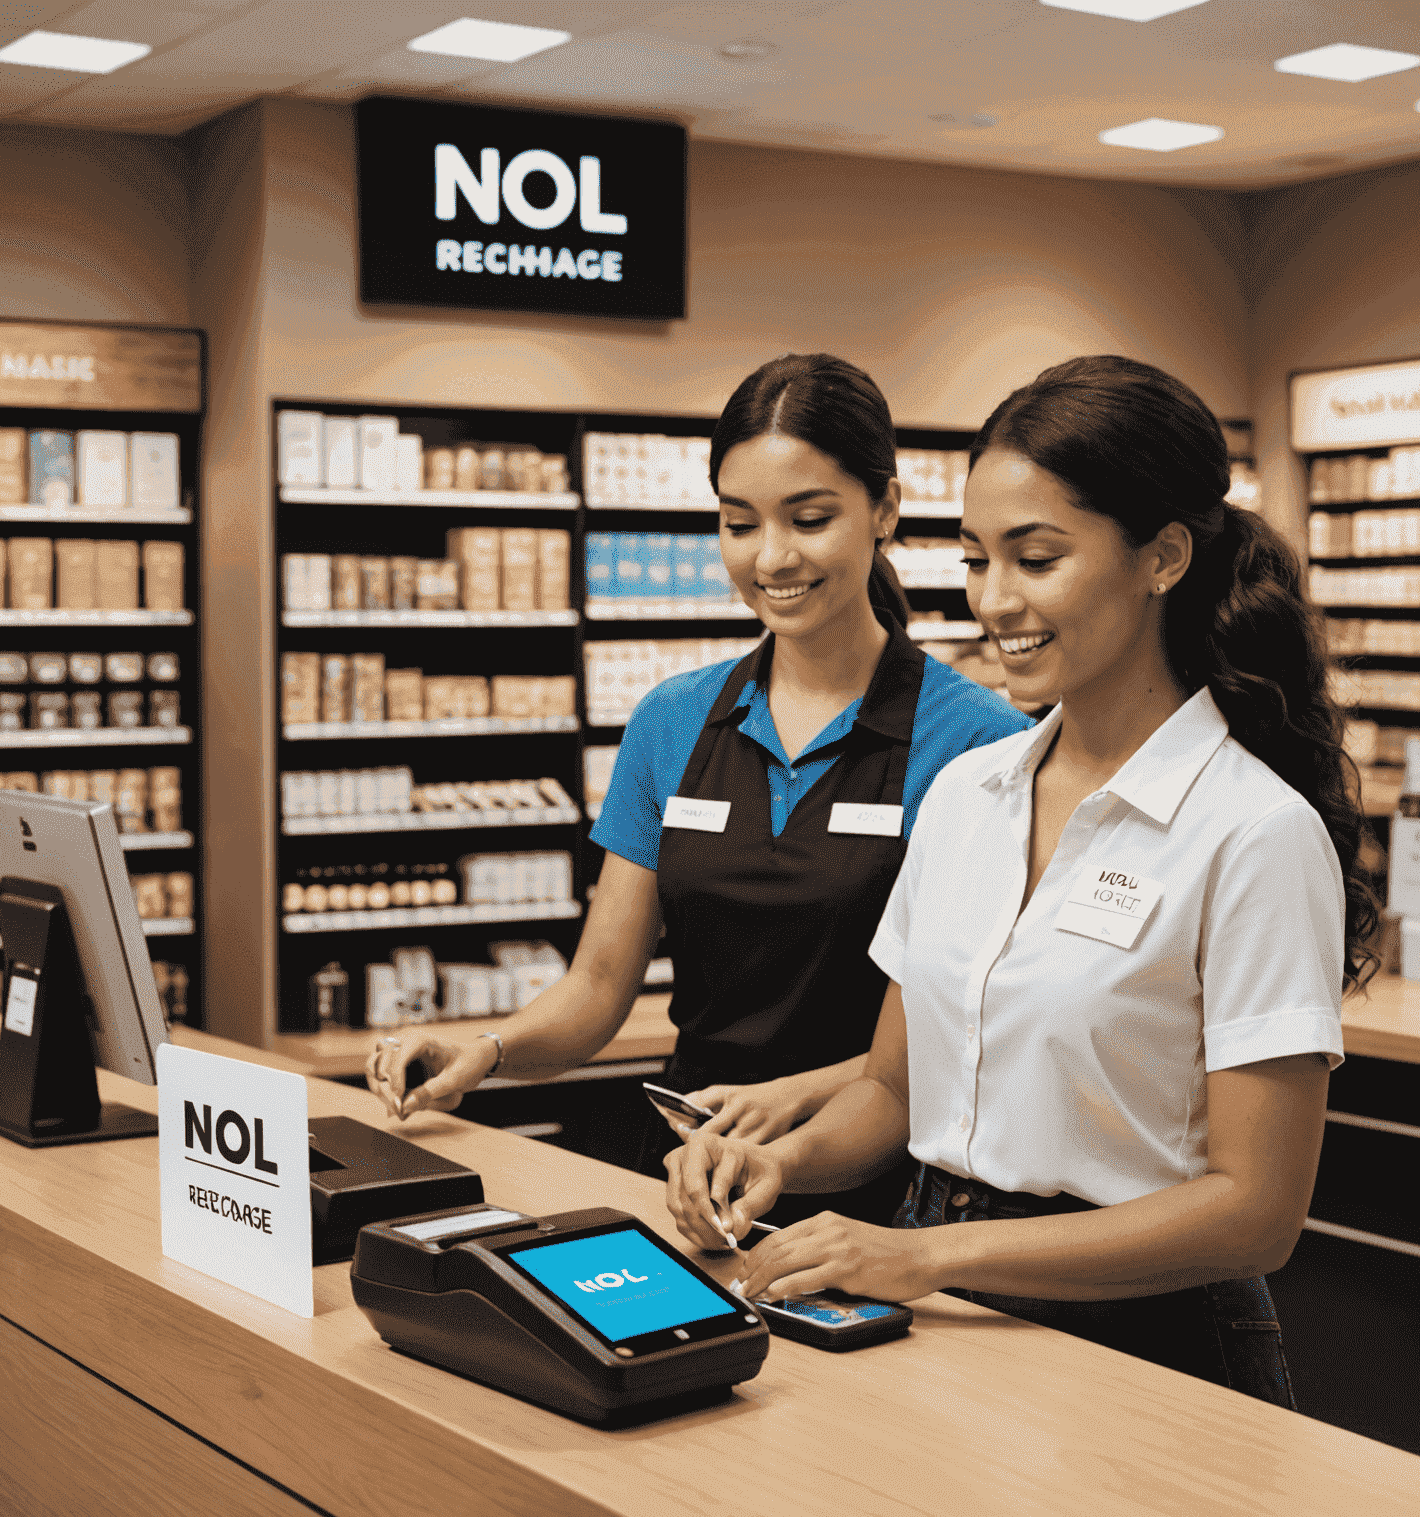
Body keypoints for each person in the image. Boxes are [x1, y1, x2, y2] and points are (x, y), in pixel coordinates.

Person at [664, 354, 1379, 1404]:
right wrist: (787, 1164)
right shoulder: (965, 795)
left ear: (1164, 556)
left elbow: (1256, 1213)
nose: (996, 601)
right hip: (943, 1318)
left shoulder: (1250, 833)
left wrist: (929, 1260)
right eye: (975, 557)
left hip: (1152, 1349)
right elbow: (893, 1089)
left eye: (1036, 559)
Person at [366, 352, 1029, 1225]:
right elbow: (600, 985)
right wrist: (484, 1048)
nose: (772, 557)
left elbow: (977, 1034)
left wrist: (796, 1094)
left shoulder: (979, 742)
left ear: (886, 510)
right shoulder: (672, 722)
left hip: (878, 1196)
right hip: (687, 1170)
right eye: (739, 523)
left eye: (810, 517)